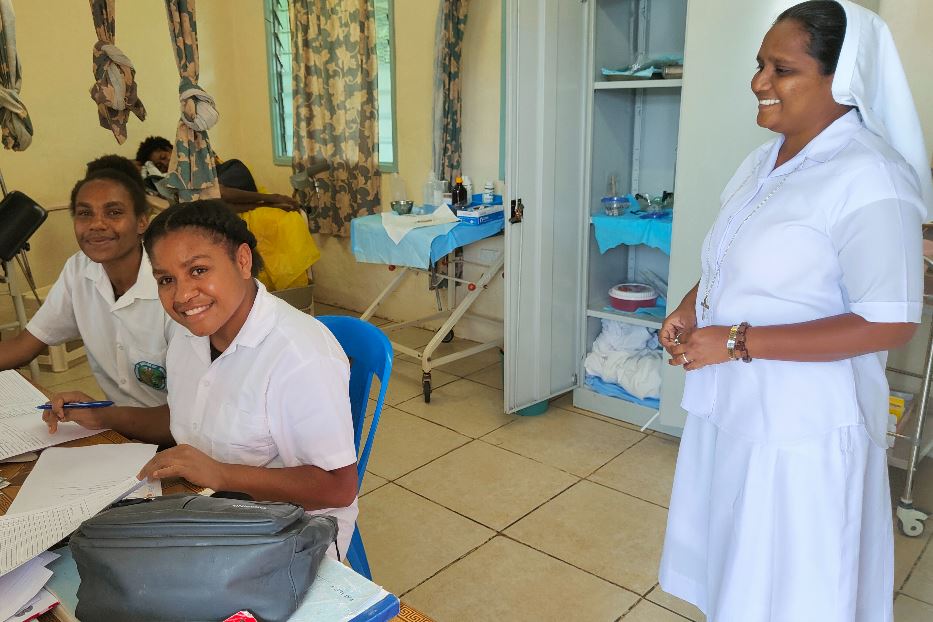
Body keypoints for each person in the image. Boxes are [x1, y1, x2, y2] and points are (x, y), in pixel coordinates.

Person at [657, 1, 931, 620]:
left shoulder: (870, 178)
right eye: (760, 65)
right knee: (741, 576)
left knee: (794, 592)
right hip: (738, 408)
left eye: (782, 69)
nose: (759, 83)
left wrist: (735, 342)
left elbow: (890, 320)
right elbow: (741, 253)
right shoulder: (764, 161)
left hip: (802, 430)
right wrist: (691, 307)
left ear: (845, 79)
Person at [44, 200, 358, 559]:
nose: (181, 296)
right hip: (205, 507)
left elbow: (338, 488)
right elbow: (185, 415)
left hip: (288, 532)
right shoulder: (190, 333)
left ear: (242, 261)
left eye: (197, 270)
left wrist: (221, 474)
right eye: (166, 280)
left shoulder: (300, 355)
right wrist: (103, 416)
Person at [0, 157, 174, 408]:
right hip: (123, 432)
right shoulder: (79, 269)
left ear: (142, 221)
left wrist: (99, 416)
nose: (96, 224)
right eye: (84, 213)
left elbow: (189, 415)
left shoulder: (171, 283)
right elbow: (24, 346)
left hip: (184, 437)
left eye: (113, 212)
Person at [135, 135, 299, 212]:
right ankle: (267, 204)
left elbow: (210, 168)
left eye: (163, 157)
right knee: (212, 204)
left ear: (170, 149)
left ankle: (273, 198)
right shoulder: (165, 180)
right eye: (159, 165)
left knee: (213, 191)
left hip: (231, 172)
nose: (164, 164)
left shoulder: (189, 151)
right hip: (214, 193)